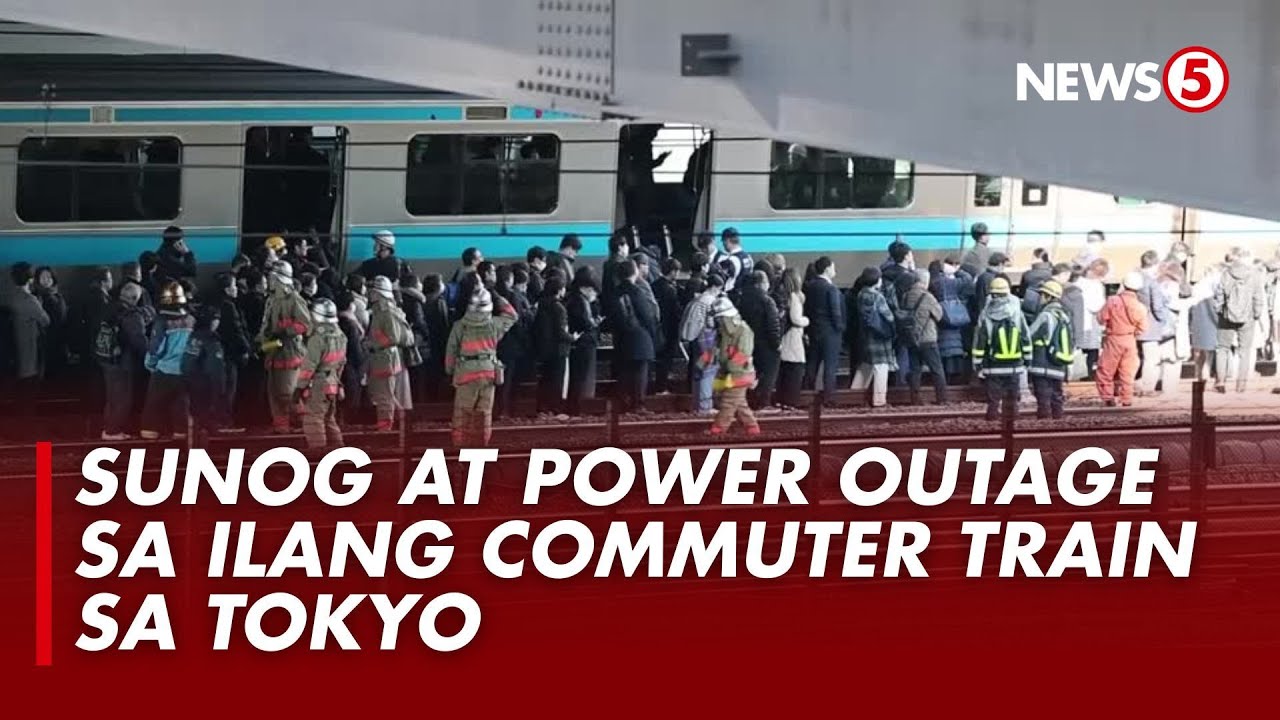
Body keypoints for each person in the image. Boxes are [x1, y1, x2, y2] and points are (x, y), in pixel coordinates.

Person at [445, 275, 518, 446]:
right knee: (484, 414)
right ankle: (481, 448)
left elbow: (451, 352)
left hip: (466, 373)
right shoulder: (495, 324)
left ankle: (460, 447)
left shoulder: (460, 326)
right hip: (488, 372)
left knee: (463, 414)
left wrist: (450, 371)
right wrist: (497, 296)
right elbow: (512, 315)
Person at [257, 262, 312, 433]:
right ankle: (282, 429)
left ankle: (306, 425)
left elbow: (306, 324)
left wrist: (285, 331)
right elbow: (266, 324)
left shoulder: (294, 299)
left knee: (288, 393)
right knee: (274, 394)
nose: (269, 280)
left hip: (289, 351)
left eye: (272, 276)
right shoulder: (271, 299)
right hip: (273, 351)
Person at [97, 282, 151, 440]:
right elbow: (138, 340)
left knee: (112, 396)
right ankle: (113, 431)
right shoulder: (131, 314)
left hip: (106, 358)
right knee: (123, 397)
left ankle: (108, 428)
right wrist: (149, 356)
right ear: (135, 298)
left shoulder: (108, 307)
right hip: (122, 361)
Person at [972, 277, 1031, 421]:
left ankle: (991, 424)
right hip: (1014, 365)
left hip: (993, 366)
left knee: (993, 400)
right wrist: (1027, 360)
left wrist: (977, 364)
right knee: (1012, 400)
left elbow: (980, 342)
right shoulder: (1017, 313)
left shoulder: (986, 315)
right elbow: (1025, 337)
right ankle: (1012, 425)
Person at [141, 283, 194, 440]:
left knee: (154, 403)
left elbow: (156, 348)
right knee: (181, 403)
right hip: (185, 370)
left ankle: (150, 434)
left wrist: (150, 364)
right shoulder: (191, 320)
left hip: (164, 371)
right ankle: (180, 433)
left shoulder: (162, 321)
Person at [294, 298, 347, 450]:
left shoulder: (317, 338)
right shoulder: (340, 335)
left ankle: (319, 453)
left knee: (313, 419)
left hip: (318, 382)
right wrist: (339, 382)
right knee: (329, 418)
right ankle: (338, 449)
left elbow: (309, 365)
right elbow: (342, 362)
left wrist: (299, 387)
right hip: (333, 381)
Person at [704, 296, 760, 436]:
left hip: (739, 374)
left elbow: (743, 354)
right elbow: (717, 350)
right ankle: (752, 427)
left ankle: (718, 429)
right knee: (739, 402)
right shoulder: (725, 332)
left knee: (728, 403)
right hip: (730, 373)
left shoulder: (743, 331)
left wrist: (729, 368)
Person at [1214, 247, 1267, 393]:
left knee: (1222, 349)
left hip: (1226, 316)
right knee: (1245, 351)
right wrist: (1256, 314)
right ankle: (1241, 385)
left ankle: (1220, 382)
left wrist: (1220, 311)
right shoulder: (1254, 274)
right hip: (1247, 317)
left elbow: (1219, 294)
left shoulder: (1226, 273)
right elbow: (1258, 297)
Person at [611, 259, 661, 414]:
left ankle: (625, 403)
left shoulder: (615, 292)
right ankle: (638, 404)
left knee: (626, 372)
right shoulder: (637, 291)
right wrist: (654, 335)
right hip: (640, 337)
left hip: (622, 336)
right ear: (634, 272)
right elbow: (647, 316)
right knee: (640, 372)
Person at [1096, 272, 1150, 407]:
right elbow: (1143, 327)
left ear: (1123, 284)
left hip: (1114, 338)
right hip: (1130, 340)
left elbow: (1101, 318)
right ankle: (1126, 399)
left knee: (1106, 369)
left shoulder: (1113, 301)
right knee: (1128, 371)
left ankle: (1108, 397)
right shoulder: (1140, 307)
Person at [366, 276, 413, 431]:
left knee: (384, 395)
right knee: (385, 393)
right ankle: (397, 422)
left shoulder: (386, 312)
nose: (370, 294)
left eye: (373, 291)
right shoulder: (380, 310)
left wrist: (372, 344)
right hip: (381, 357)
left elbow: (393, 337)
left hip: (385, 358)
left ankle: (385, 428)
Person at [1027, 280, 1074, 419]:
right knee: (1056, 397)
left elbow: (1030, 335)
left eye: (1042, 295)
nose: (1040, 298)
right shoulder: (1064, 316)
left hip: (1042, 363)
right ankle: (1058, 423)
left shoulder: (1045, 315)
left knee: (1043, 398)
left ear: (1048, 297)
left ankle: (1044, 425)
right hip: (1058, 363)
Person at [851, 267, 897, 408]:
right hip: (879, 336)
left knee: (866, 366)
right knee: (881, 367)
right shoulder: (877, 296)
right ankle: (879, 400)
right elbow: (888, 316)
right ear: (876, 280)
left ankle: (853, 396)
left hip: (866, 335)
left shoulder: (861, 294)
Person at [900, 268, 946, 405]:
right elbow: (939, 315)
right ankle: (942, 399)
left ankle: (914, 399)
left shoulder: (906, 296)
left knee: (915, 369)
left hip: (911, 338)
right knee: (937, 369)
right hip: (928, 339)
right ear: (925, 281)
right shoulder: (928, 297)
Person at [183, 305, 230, 439]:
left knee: (195, 419)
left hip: (192, 383)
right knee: (206, 424)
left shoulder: (192, 337)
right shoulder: (211, 340)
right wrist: (220, 389)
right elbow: (215, 367)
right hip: (207, 386)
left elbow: (186, 362)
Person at [680, 275, 724, 415]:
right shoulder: (710, 301)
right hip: (708, 339)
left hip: (697, 339)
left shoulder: (697, 299)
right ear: (714, 287)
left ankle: (696, 405)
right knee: (708, 372)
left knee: (699, 372)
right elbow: (712, 323)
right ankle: (705, 406)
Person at [804, 256, 844, 406]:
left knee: (812, 363)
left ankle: (807, 393)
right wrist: (840, 327)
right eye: (833, 267)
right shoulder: (831, 288)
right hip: (831, 332)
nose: (834, 270)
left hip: (814, 329)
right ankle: (829, 398)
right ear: (827, 269)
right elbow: (836, 311)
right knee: (830, 366)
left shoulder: (810, 286)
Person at [739, 270, 781, 411]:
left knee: (751, 372)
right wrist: (777, 344)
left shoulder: (742, 299)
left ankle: (750, 400)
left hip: (748, 343)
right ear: (761, 283)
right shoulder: (767, 301)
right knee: (769, 374)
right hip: (766, 344)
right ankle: (764, 403)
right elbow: (773, 325)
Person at [213, 273, 251, 428]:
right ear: (227, 290)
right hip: (230, 353)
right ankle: (224, 423)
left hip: (218, 353)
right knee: (228, 390)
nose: (236, 289)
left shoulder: (214, 303)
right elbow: (236, 330)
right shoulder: (229, 306)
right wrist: (246, 348)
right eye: (234, 286)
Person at [534, 274, 574, 418]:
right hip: (559, 350)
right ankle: (555, 408)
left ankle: (542, 408)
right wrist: (572, 338)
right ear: (559, 290)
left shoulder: (541, 304)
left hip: (544, 349)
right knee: (557, 381)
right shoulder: (559, 308)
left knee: (545, 379)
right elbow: (561, 332)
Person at [1135, 251, 1174, 396]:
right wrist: (1163, 321)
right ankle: (1147, 387)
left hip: (1137, 323)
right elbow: (1157, 306)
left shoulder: (1135, 278)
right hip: (1151, 325)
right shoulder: (1152, 282)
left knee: (1141, 357)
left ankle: (1139, 385)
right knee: (1151, 359)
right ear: (1155, 264)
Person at [8, 262, 49, 400]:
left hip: (17, 357)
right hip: (30, 359)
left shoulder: (12, 297)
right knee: (30, 397)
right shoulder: (29, 299)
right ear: (31, 279)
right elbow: (46, 320)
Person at [931, 258, 974, 383]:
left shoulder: (935, 282)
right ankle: (955, 377)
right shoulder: (953, 283)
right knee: (954, 347)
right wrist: (957, 270)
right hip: (956, 318)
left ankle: (946, 378)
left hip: (942, 319)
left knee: (944, 349)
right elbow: (968, 279)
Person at [566, 268, 602, 415]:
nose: (593, 293)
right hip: (584, 343)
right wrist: (595, 322)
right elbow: (586, 323)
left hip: (582, 343)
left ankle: (579, 406)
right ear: (584, 287)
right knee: (582, 377)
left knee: (580, 377)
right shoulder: (580, 301)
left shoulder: (574, 298)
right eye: (592, 289)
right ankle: (579, 407)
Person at [776, 267, 810, 411]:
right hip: (793, 337)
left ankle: (781, 399)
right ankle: (790, 401)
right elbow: (796, 319)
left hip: (785, 338)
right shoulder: (795, 297)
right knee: (795, 369)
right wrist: (806, 320)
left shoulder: (783, 295)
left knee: (784, 370)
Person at [400, 273, 435, 406]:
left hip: (404, 340)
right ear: (414, 285)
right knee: (419, 372)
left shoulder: (399, 298)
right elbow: (419, 321)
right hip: (416, 342)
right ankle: (420, 402)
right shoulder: (415, 301)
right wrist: (427, 334)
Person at [651, 257, 683, 394]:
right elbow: (675, 312)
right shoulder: (670, 289)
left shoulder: (654, 285)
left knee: (659, 358)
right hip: (670, 328)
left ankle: (659, 385)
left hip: (658, 326)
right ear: (673, 272)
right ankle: (661, 387)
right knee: (666, 358)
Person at [33, 266, 69, 376]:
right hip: (39, 346)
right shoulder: (34, 298)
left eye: (49, 276)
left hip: (57, 344)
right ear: (37, 279)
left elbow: (62, 320)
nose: (47, 279)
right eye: (43, 277)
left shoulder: (58, 297)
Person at [717, 227, 754, 297]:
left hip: (731, 296)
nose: (723, 244)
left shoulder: (731, 260)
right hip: (744, 294)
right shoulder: (748, 257)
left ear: (727, 240)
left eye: (723, 241)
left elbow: (722, 280)